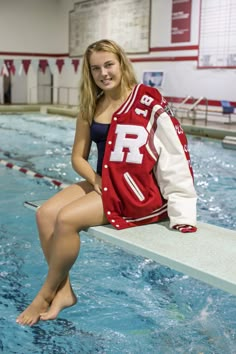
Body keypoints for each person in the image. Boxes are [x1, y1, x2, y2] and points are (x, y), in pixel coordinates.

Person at [16, 39, 197, 326]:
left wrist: (182, 211)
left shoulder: (147, 100)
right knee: (44, 214)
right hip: (102, 182)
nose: (104, 73)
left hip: (131, 191)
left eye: (109, 64)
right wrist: (95, 179)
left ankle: (45, 294)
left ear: (122, 63)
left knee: (65, 219)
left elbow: (175, 154)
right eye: (96, 68)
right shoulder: (92, 105)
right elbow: (78, 157)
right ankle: (64, 291)